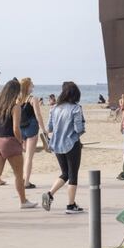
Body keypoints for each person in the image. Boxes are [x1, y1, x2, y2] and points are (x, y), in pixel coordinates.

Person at [0, 80, 38, 212]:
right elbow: (16, 129)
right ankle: (23, 201)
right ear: (15, 92)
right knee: (18, 174)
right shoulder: (15, 106)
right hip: (9, 142)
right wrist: (21, 141)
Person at [41, 82, 85, 214]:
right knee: (73, 175)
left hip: (57, 144)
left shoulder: (54, 108)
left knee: (65, 173)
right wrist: (79, 132)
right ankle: (71, 205)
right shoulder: (76, 108)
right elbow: (79, 129)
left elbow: (49, 128)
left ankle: (49, 194)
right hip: (72, 144)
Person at [18, 78, 48, 189]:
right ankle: (26, 182)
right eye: (31, 85)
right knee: (29, 157)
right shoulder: (32, 99)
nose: (33, 87)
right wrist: (44, 129)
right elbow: (38, 115)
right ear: (27, 86)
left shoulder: (17, 99)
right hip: (31, 128)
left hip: (20, 128)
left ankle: (21, 179)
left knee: (23, 156)